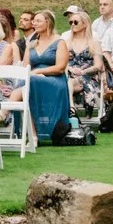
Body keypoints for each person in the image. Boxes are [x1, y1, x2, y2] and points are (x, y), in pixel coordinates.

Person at [24, 9, 71, 142]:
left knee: (28, 82)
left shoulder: (59, 42)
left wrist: (38, 72)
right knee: (25, 83)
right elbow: (25, 66)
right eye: (34, 21)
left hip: (54, 79)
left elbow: (60, 68)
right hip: (33, 78)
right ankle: (32, 133)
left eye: (38, 20)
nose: (35, 23)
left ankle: (3, 114)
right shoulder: (31, 44)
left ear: (48, 22)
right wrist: (32, 74)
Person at [61, 5, 106, 116]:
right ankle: (71, 107)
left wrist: (83, 72)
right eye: (70, 22)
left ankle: (70, 110)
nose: (72, 24)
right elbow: (62, 62)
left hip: (88, 76)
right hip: (70, 74)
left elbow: (98, 65)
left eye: (75, 22)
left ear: (85, 23)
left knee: (67, 83)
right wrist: (71, 69)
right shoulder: (67, 42)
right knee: (68, 81)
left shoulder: (94, 42)